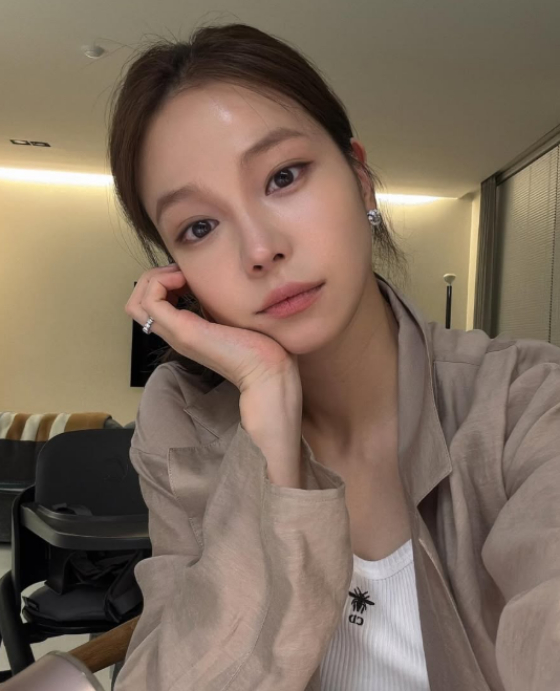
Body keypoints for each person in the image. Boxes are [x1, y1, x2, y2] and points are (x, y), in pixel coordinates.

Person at [109, 22, 560, 691]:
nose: (260, 248)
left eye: (283, 176)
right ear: (178, 271)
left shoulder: (524, 401)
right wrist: (272, 448)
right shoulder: (182, 420)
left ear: (360, 179)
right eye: (199, 226)